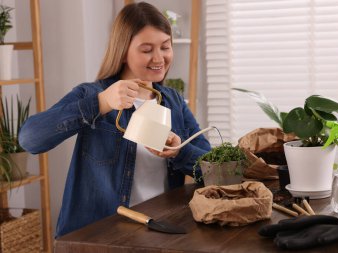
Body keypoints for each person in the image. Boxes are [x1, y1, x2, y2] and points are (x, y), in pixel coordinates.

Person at [19, 2, 211, 238]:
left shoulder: (174, 102)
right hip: (99, 238)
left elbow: (212, 170)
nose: (159, 58)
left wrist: (179, 150)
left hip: (160, 232)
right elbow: (29, 139)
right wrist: (101, 104)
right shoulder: (93, 95)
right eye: (147, 49)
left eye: (165, 47)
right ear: (122, 52)